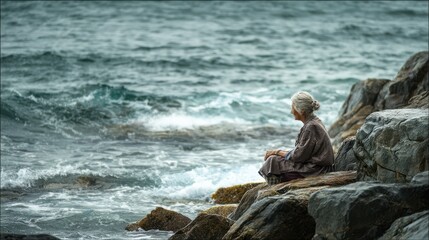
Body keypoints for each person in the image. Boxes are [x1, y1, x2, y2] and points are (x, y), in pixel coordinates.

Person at [259, 91, 334, 185]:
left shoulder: (311, 127)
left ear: (301, 110)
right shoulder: (314, 122)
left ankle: (275, 190)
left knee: (272, 161)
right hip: (316, 166)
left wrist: (276, 152)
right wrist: (279, 153)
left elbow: (298, 156)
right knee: (275, 159)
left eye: (292, 107)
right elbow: (301, 153)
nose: (291, 111)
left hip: (315, 170)